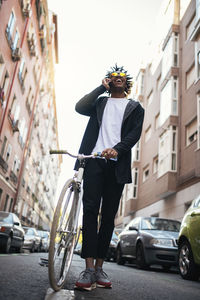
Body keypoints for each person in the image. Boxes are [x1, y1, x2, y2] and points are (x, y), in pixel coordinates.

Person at [74, 64, 144, 291]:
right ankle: (88, 267)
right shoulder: (99, 103)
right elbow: (79, 107)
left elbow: (135, 134)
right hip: (93, 160)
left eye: (122, 76)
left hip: (117, 165)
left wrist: (118, 149)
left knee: (108, 217)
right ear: (109, 81)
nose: (118, 78)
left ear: (127, 82)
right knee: (90, 211)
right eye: (113, 77)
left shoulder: (135, 107)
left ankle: (99, 268)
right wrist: (99, 88)